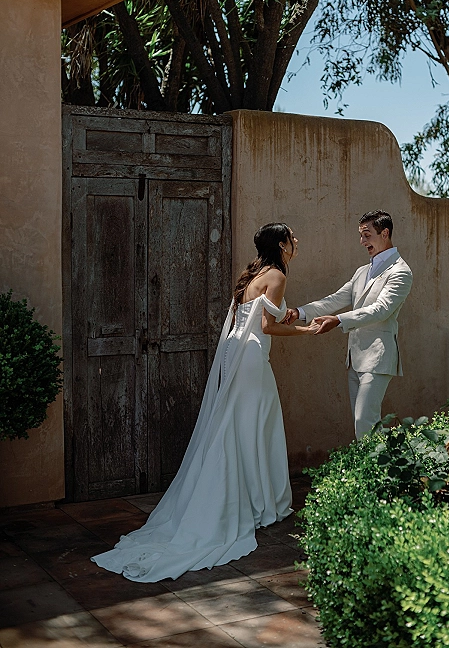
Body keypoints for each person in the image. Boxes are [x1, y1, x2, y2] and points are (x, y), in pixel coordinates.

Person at [92, 223, 319, 582]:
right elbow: (268, 326)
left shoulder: (255, 271)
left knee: (238, 421)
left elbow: (261, 317)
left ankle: (251, 496)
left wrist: (287, 315)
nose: (297, 240)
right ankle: (260, 501)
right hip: (251, 356)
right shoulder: (276, 274)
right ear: (281, 244)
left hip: (234, 351)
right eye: (293, 236)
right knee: (256, 421)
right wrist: (307, 330)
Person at [285, 211, 412, 440]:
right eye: (361, 235)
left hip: (378, 358)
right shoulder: (362, 271)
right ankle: (375, 471)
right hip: (355, 358)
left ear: (385, 233)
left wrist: (338, 320)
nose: (362, 242)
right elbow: (335, 299)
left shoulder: (401, 272)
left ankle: (382, 472)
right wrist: (299, 312)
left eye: (367, 235)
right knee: (361, 423)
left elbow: (381, 309)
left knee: (366, 421)